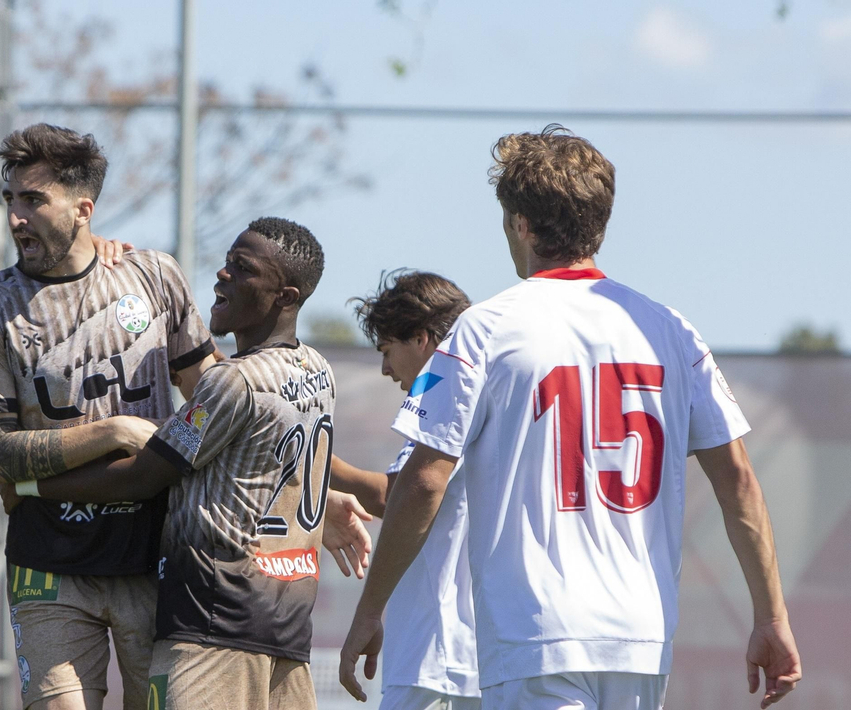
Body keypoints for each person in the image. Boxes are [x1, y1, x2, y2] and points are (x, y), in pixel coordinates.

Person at [338, 125, 804, 710]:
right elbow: (737, 480)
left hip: (536, 636)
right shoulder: (672, 331)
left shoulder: (484, 329)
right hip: (641, 639)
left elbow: (425, 480)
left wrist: (371, 609)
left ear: (522, 224)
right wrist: (772, 616)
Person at [1, 218, 375, 709]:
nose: (222, 274)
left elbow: (142, 477)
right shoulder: (317, 370)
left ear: (284, 297)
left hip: (214, 626)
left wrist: (28, 487)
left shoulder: (232, 381)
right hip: (286, 629)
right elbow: (264, 468)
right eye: (228, 261)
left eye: (243, 269)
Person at [0, 123, 218, 710]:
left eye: (33, 200)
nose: (15, 217)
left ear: (83, 209)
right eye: (10, 199)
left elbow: (214, 401)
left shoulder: (153, 275)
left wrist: (316, 496)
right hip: (47, 563)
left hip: (157, 553)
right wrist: (114, 431)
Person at [344, 270, 480, 710]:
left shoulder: (451, 391)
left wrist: (313, 458)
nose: (385, 369)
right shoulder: (491, 389)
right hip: (478, 658)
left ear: (422, 339)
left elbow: (401, 494)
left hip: (441, 656)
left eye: (387, 351)